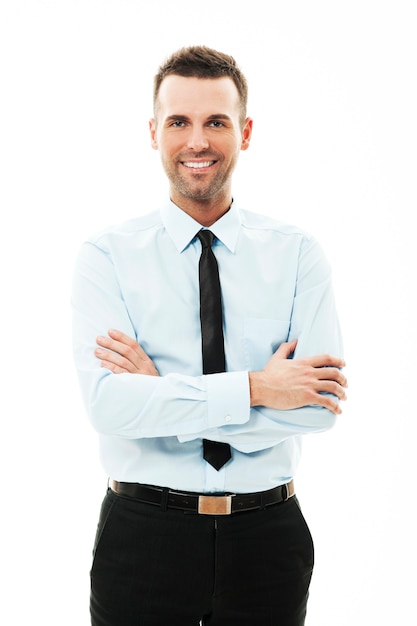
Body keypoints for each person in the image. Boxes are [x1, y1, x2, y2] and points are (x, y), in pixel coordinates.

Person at [72, 45, 347, 626]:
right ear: (154, 132)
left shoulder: (298, 255)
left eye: (215, 122)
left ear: (244, 132)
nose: (197, 141)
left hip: (267, 537)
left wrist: (163, 396)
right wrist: (256, 388)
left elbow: (319, 408)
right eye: (179, 122)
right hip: (143, 536)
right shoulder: (107, 257)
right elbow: (110, 408)